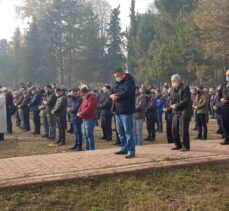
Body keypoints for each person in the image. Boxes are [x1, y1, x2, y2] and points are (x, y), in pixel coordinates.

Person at [111, 68, 136, 159]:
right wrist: (111, 95)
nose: (116, 78)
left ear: (122, 74)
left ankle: (131, 150)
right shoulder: (117, 83)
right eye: (115, 77)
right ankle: (124, 148)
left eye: (117, 76)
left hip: (126, 111)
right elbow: (112, 91)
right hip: (117, 111)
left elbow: (127, 92)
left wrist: (116, 95)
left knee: (128, 132)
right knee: (120, 132)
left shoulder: (129, 81)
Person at [170, 74, 192, 151]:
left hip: (184, 111)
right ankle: (178, 145)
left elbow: (186, 100)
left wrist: (177, 105)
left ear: (178, 80)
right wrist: (171, 105)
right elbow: (172, 99)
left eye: (173, 81)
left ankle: (186, 146)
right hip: (176, 111)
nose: (172, 82)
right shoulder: (173, 89)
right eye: (171, 81)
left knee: (183, 130)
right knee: (174, 128)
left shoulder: (185, 87)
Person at [219, 70, 229, 145]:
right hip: (224, 107)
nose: (227, 77)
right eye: (226, 75)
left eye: (228, 75)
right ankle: (226, 138)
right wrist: (221, 99)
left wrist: (227, 100)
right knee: (224, 124)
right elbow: (219, 95)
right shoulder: (223, 85)